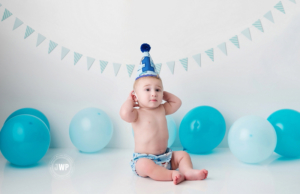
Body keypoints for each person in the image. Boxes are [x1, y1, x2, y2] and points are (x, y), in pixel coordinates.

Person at [120, 43, 208, 185]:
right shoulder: (137, 113)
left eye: (157, 90)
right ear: (136, 96)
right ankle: (171, 174)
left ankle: (187, 171)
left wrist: (162, 94)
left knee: (183, 155)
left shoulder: (162, 108)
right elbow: (124, 114)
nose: (153, 93)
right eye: (147, 90)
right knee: (145, 166)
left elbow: (177, 103)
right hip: (144, 159)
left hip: (166, 157)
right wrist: (130, 100)